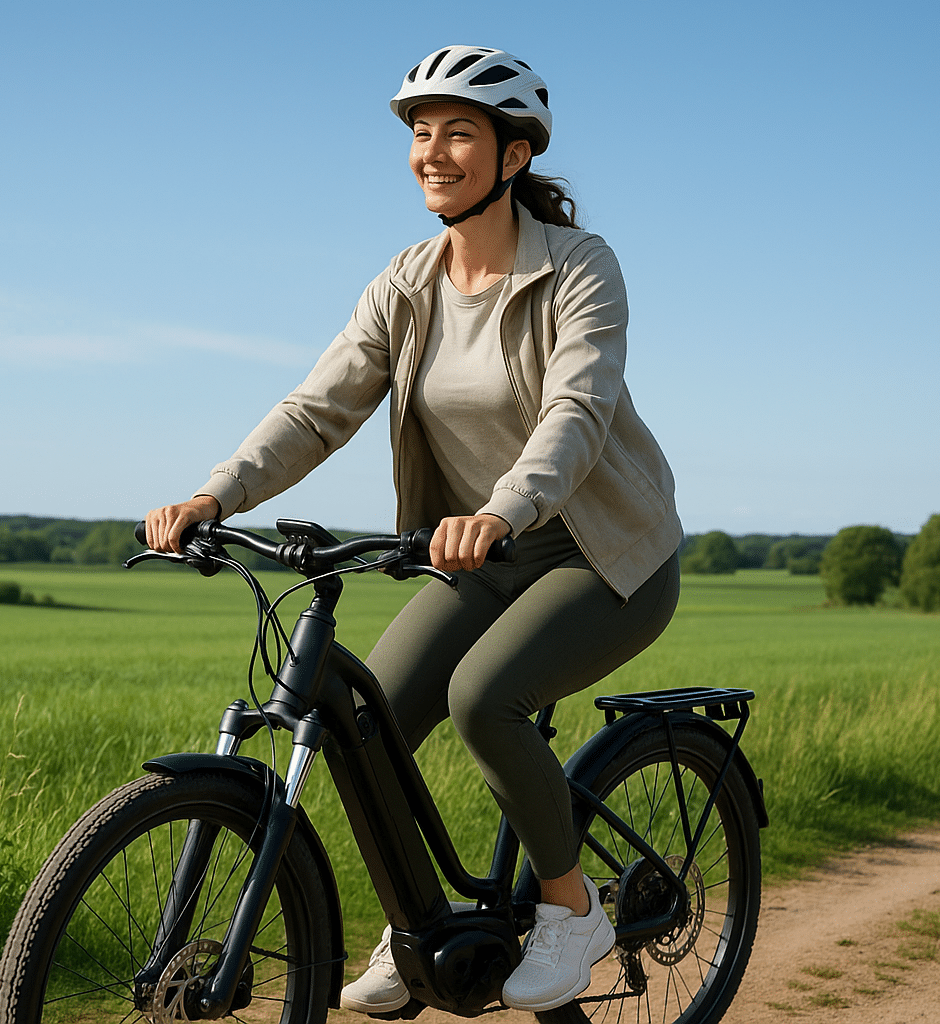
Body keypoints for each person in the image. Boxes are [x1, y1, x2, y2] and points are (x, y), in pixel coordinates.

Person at [143, 44, 684, 1014]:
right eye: (421, 133)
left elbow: (577, 412)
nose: (433, 152)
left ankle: (572, 911)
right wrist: (215, 496)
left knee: (484, 696)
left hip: (605, 552)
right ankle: (417, 928)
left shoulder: (578, 271)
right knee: (367, 724)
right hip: (484, 550)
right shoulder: (407, 283)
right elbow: (318, 408)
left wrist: (499, 510)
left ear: (513, 157)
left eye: (459, 133)